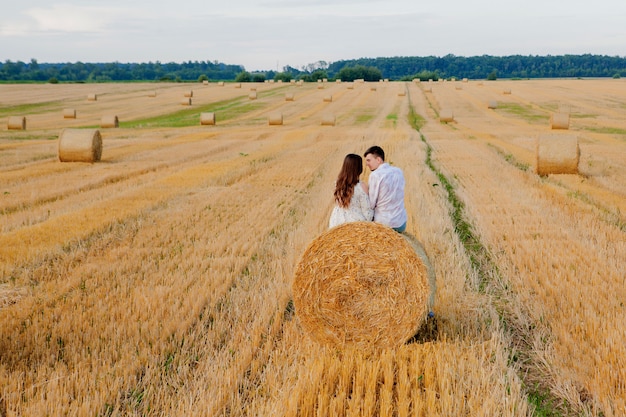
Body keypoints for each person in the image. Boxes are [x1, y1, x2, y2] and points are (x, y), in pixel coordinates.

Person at [364, 145, 407, 233]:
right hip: (401, 223)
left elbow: (371, 204)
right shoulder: (399, 171)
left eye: (369, 160)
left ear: (378, 160)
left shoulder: (375, 175)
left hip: (384, 224)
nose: (366, 164)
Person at [329, 154, 374, 228]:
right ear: (359, 169)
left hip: (336, 222)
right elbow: (367, 212)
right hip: (355, 225)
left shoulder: (337, 183)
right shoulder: (361, 186)